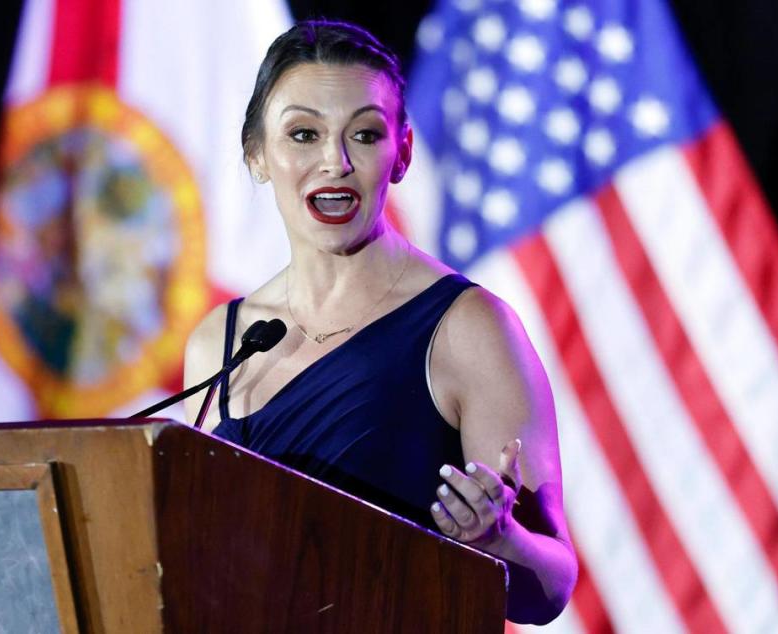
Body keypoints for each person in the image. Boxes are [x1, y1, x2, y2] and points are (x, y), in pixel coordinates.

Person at [184, 20, 577, 624]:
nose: (334, 162)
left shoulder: (470, 327)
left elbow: (550, 586)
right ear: (257, 155)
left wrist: (499, 540)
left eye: (364, 135)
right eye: (303, 134)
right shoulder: (221, 341)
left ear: (403, 153)